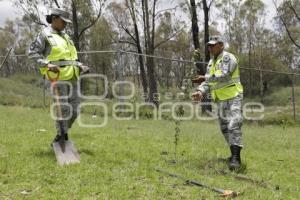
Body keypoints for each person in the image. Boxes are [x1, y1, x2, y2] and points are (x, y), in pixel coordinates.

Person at [28, 8, 89, 144]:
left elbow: (70, 57)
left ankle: (62, 133)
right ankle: (61, 137)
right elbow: (32, 53)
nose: (65, 24)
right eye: (63, 21)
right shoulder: (44, 35)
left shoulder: (66, 37)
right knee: (63, 109)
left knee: (75, 111)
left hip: (73, 76)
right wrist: (47, 64)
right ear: (54, 18)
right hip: (57, 78)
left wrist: (80, 65)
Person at [192, 35, 244, 171]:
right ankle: (233, 154)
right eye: (209, 45)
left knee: (234, 124)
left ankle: (236, 160)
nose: (210, 48)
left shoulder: (228, 58)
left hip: (233, 96)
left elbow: (225, 74)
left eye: (213, 45)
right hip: (220, 99)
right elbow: (209, 82)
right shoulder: (211, 62)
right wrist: (200, 91)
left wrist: (205, 77)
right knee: (225, 128)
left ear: (221, 45)